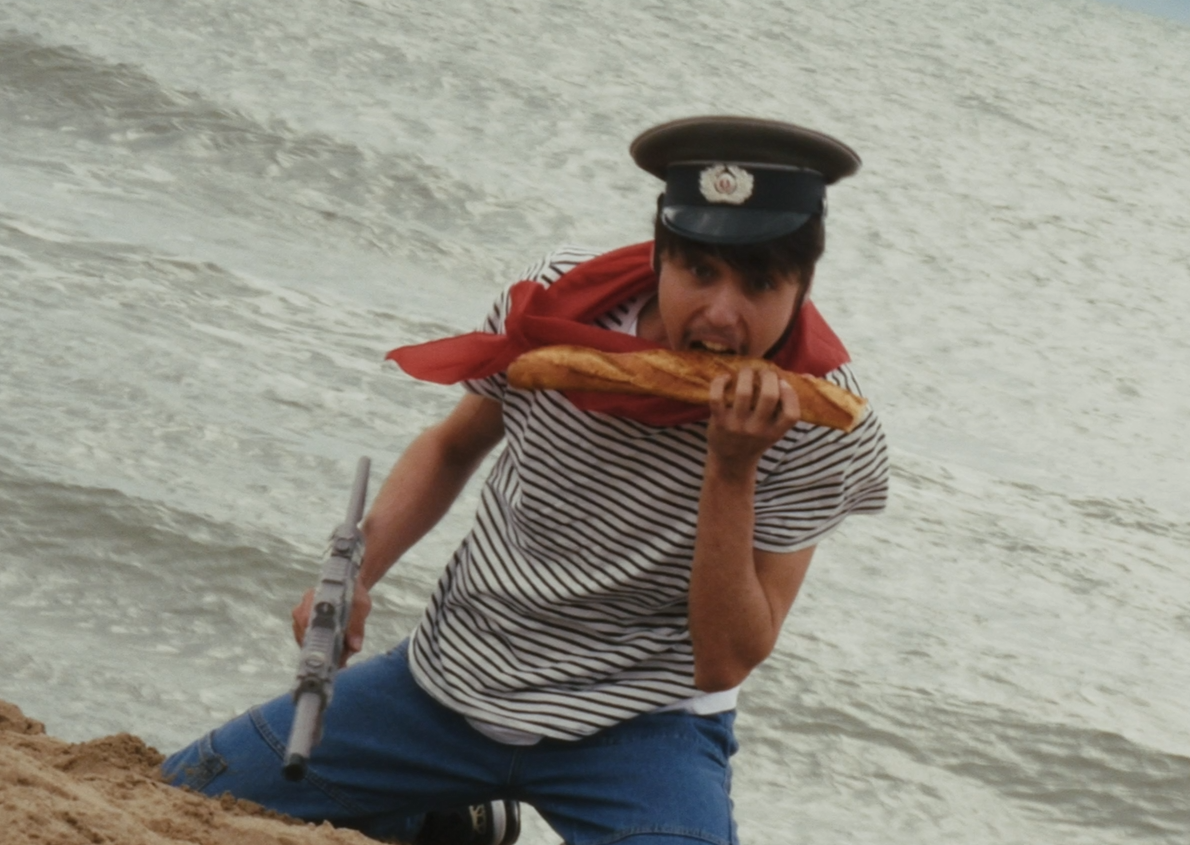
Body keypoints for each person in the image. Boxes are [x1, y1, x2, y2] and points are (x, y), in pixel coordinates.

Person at [162, 116, 890, 845]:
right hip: (446, 680)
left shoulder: (826, 422)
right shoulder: (554, 304)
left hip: (639, 726)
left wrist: (733, 470)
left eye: (760, 282)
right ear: (660, 254)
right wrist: (356, 571)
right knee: (178, 797)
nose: (722, 313)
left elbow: (725, 657)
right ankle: (444, 819)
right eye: (699, 271)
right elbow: (452, 447)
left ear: (804, 284)